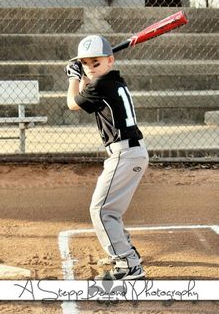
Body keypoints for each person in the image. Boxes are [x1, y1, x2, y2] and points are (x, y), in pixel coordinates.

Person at [65, 35, 149, 280]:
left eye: (96, 62)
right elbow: (85, 95)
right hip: (130, 152)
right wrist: (80, 74)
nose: (91, 67)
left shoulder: (100, 85)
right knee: (109, 208)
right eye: (86, 63)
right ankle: (127, 251)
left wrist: (73, 76)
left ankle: (128, 264)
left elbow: (73, 102)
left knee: (102, 210)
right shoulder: (112, 81)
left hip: (125, 154)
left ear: (110, 60)